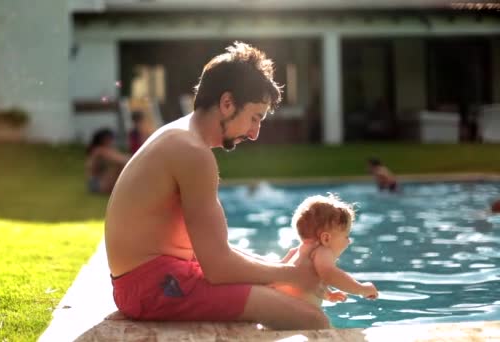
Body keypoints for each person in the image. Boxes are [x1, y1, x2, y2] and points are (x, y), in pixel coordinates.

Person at [105, 42, 329, 330]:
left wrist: (282, 271)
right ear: (227, 104)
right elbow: (218, 267)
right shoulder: (192, 152)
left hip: (149, 282)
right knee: (313, 319)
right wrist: (292, 275)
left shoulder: (180, 136)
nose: (254, 133)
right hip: (156, 288)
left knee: (287, 294)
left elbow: (211, 251)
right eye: (254, 118)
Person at [273, 194, 378, 310]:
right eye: (346, 236)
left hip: (280, 307)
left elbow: (307, 282)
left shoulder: (296, 252)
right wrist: (361, 289)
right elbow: (329, 274)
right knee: (324, 324)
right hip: (297, 312)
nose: (349, 241)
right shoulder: (322, 250)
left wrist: (327, 294)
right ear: (326, 238)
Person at [86, 128, 130, 194]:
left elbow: (121, 156)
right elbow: (120, 159)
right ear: (103, 139)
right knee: (120, 166)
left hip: (102, 180)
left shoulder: (109, 149)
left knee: (119, 167)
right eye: (109, 138)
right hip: (96, 184)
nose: (111, 140)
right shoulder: (99, 150)